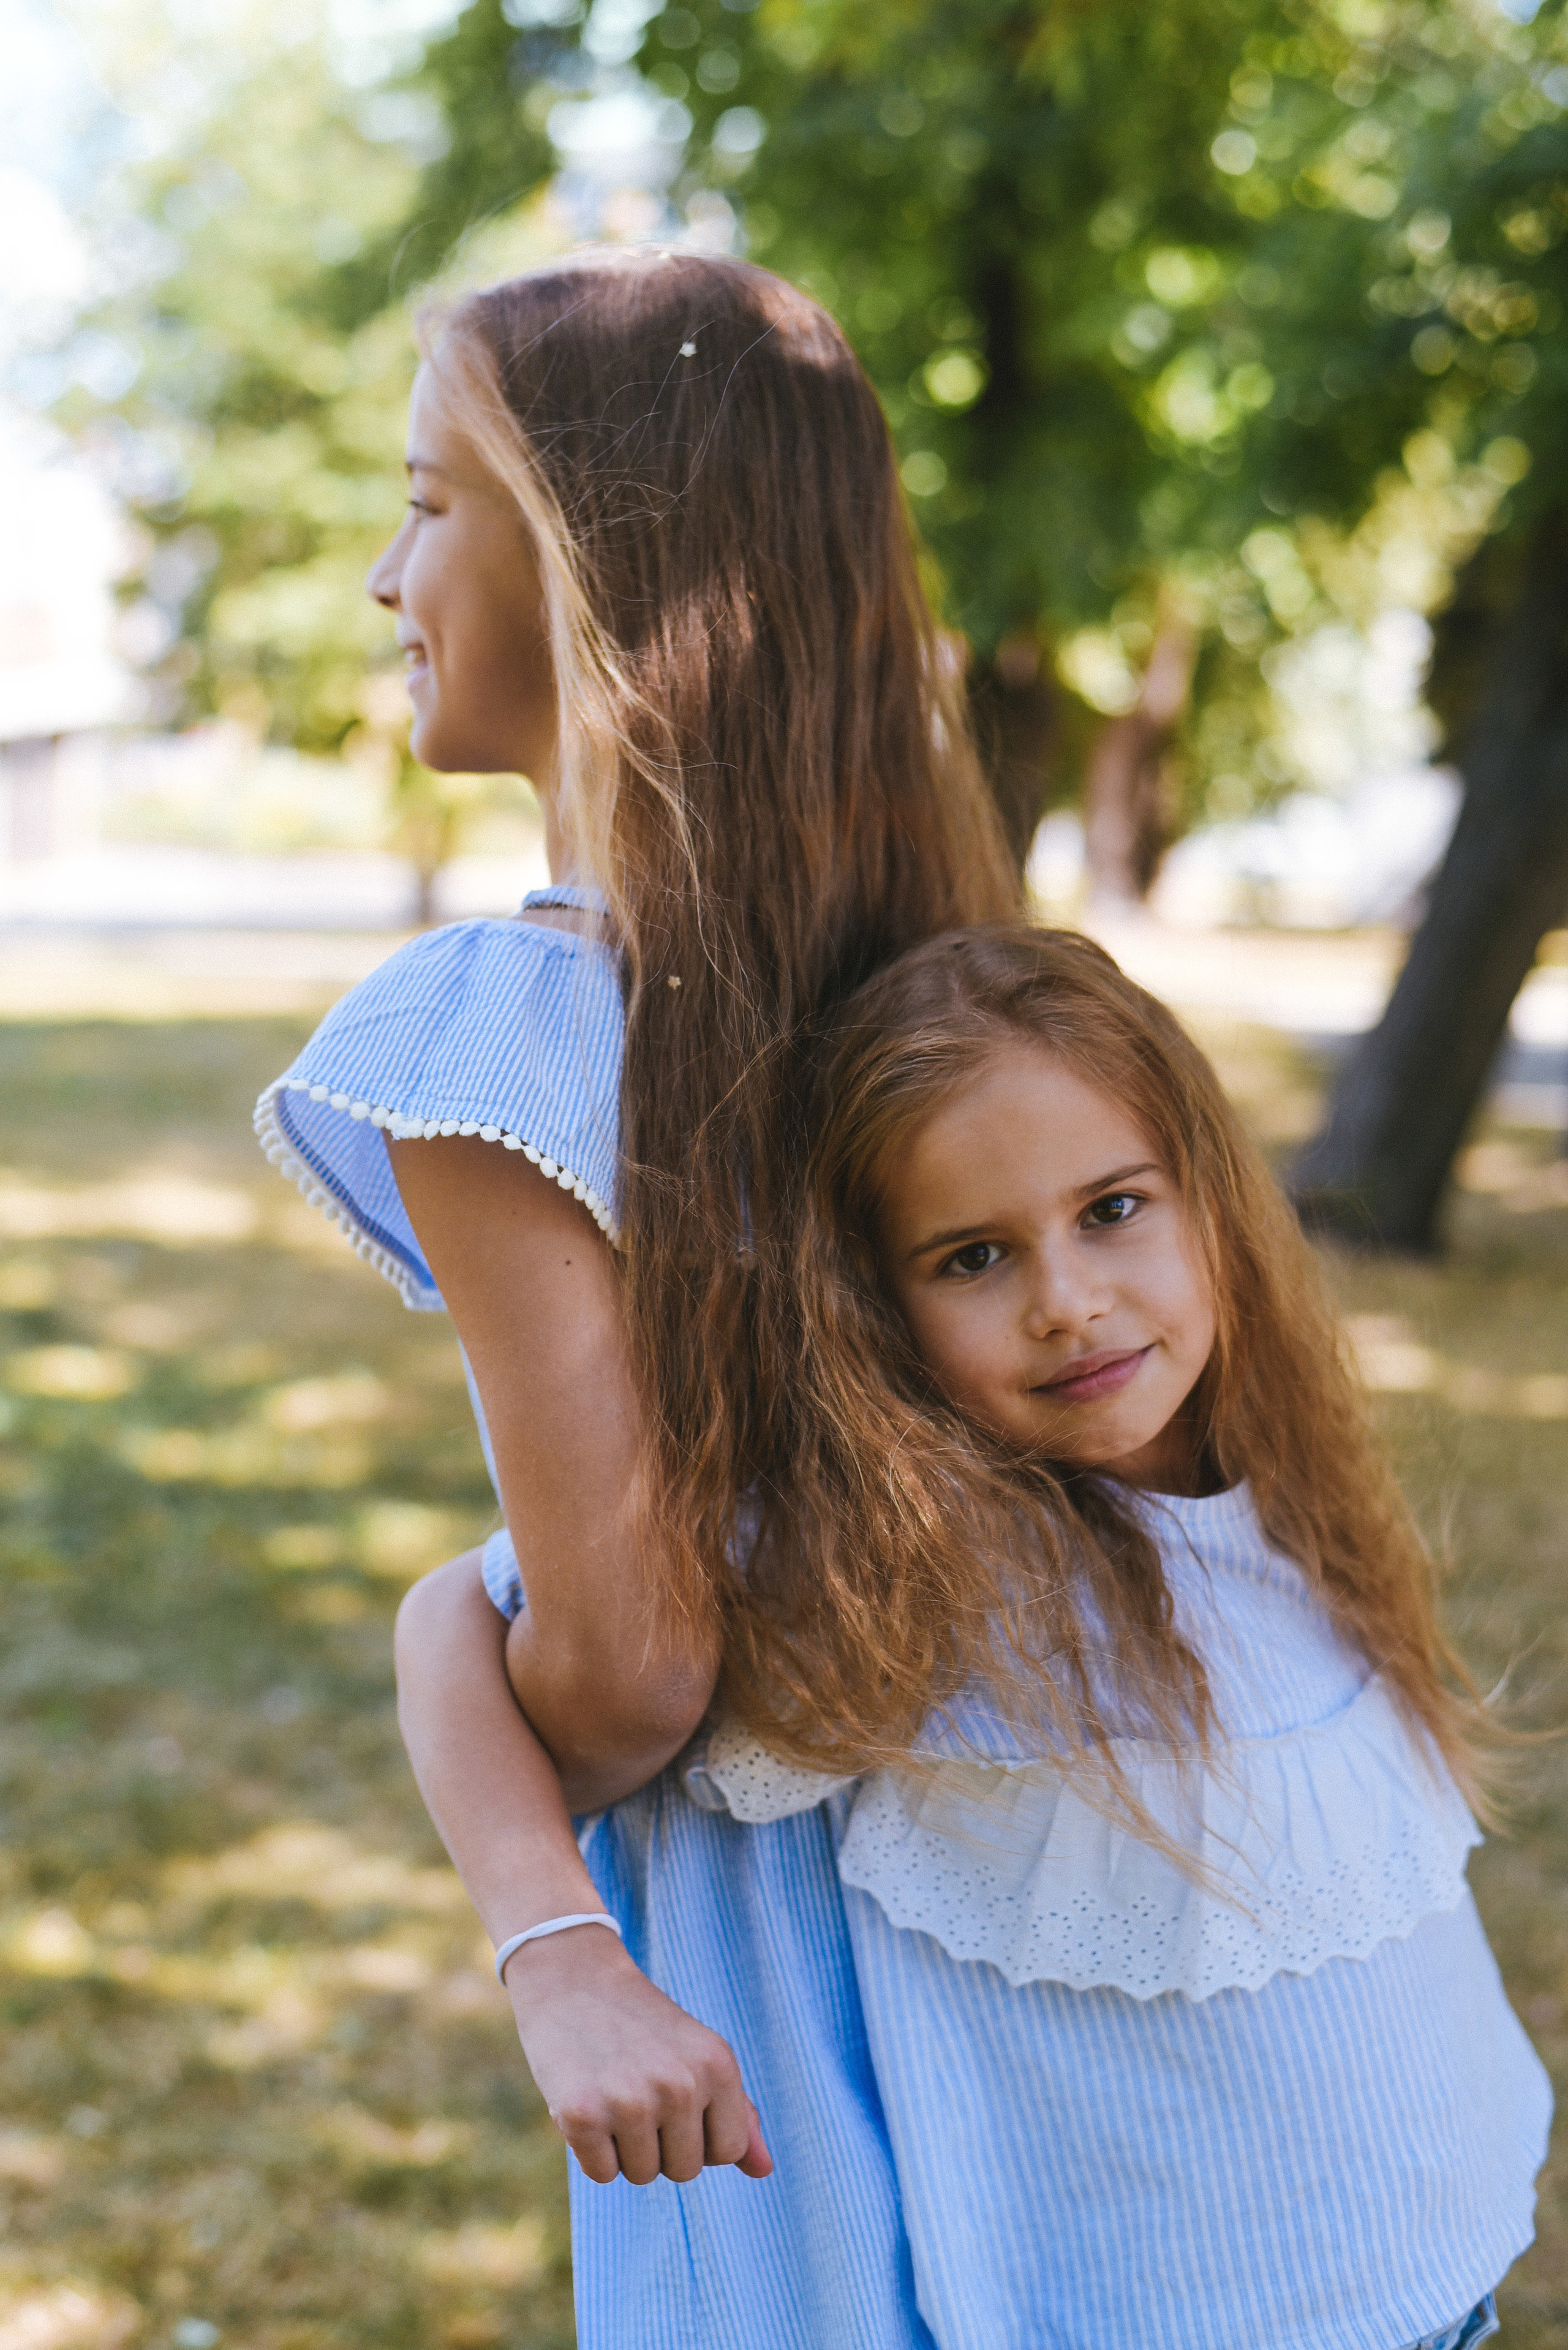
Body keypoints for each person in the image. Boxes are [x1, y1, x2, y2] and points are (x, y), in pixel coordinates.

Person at [254, 246, 1019, 2350]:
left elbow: (624, 1665)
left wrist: (455, 1665)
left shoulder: (499, 1033)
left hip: (787, 2004)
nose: (383, 575)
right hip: (1062, 1927)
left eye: (426, 502)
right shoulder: (976, 997)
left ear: (594, 563)